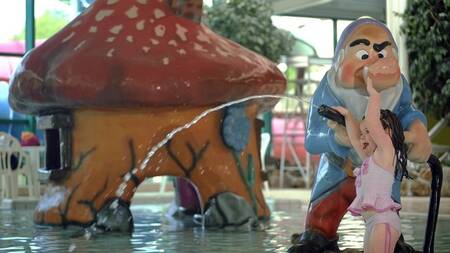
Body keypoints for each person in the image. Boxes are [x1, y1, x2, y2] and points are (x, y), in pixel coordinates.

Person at [288, 17, 431, 253]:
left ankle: (392, 241)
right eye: (363, 55)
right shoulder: (329, 88)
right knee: (320, 227)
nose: (374, 62)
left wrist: (417, 129)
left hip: (381, 182)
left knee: (385, 222)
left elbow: (407, 113)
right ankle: (318, 236)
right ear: (341, 58)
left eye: (383, 54)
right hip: (337, 169)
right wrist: (336, 138)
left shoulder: (398, 90)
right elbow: (312, 140)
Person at [334, 71, 407, 253]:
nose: (364, 137)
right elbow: (354, 139)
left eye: (369, 132)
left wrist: (374, 94)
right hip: (372, 222)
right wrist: (348, 116)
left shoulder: (386, 152)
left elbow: (373, 123)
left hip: (383, 221)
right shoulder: (371, 160)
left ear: (386, 133)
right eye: (364, 132)